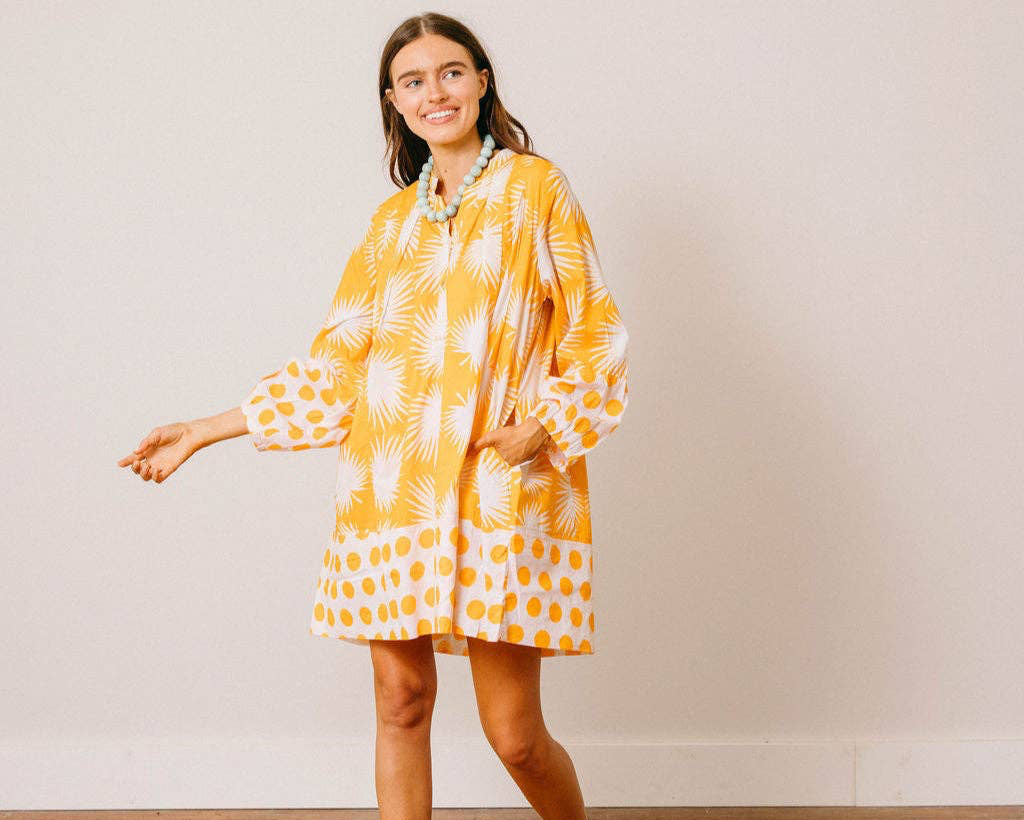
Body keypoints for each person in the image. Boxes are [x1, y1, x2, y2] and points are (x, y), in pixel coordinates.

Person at [117, 12, 629, 819]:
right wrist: (207, 429)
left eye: (451, 72)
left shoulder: (536, 189)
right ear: (393, 101)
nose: (436, 92)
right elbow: (340, 366)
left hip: (497, 482)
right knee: (402, 702)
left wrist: (549, 425)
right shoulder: (391, 225)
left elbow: (596, 330)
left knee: (516, 737)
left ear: (483, 81)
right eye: (414, 81)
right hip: (388, 493)